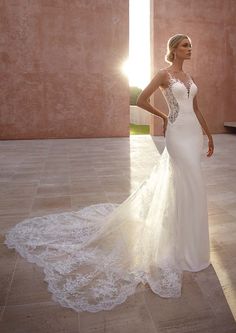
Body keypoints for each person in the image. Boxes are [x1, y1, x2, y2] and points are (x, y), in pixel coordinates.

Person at [4, 34, 214, 313]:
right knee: (185, 180)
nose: (190, 48)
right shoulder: (163, 75)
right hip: (176, 133)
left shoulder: (189, 78)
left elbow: (196, 108)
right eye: (185, 45)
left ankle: (192, 244)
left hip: (193, 134)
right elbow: (140, 100)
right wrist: (164, 118)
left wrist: (209, 135)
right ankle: (178, 245)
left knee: (194, 185)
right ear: (174, 49)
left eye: (191, 45)